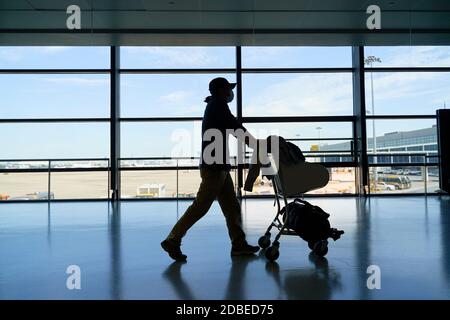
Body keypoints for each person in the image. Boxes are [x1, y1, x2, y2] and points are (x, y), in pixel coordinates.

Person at [161, 77, 260, 261]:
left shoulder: (215, 105)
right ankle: (172, 239)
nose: (231, 92)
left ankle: (239, 244)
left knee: (232, 207)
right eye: (229, 89)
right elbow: (236, 128)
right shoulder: (218, 106)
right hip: (214, 167)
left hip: (219, 166)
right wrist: (257, 145)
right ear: (222, 90)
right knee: (201, 206)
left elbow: (233, 128)